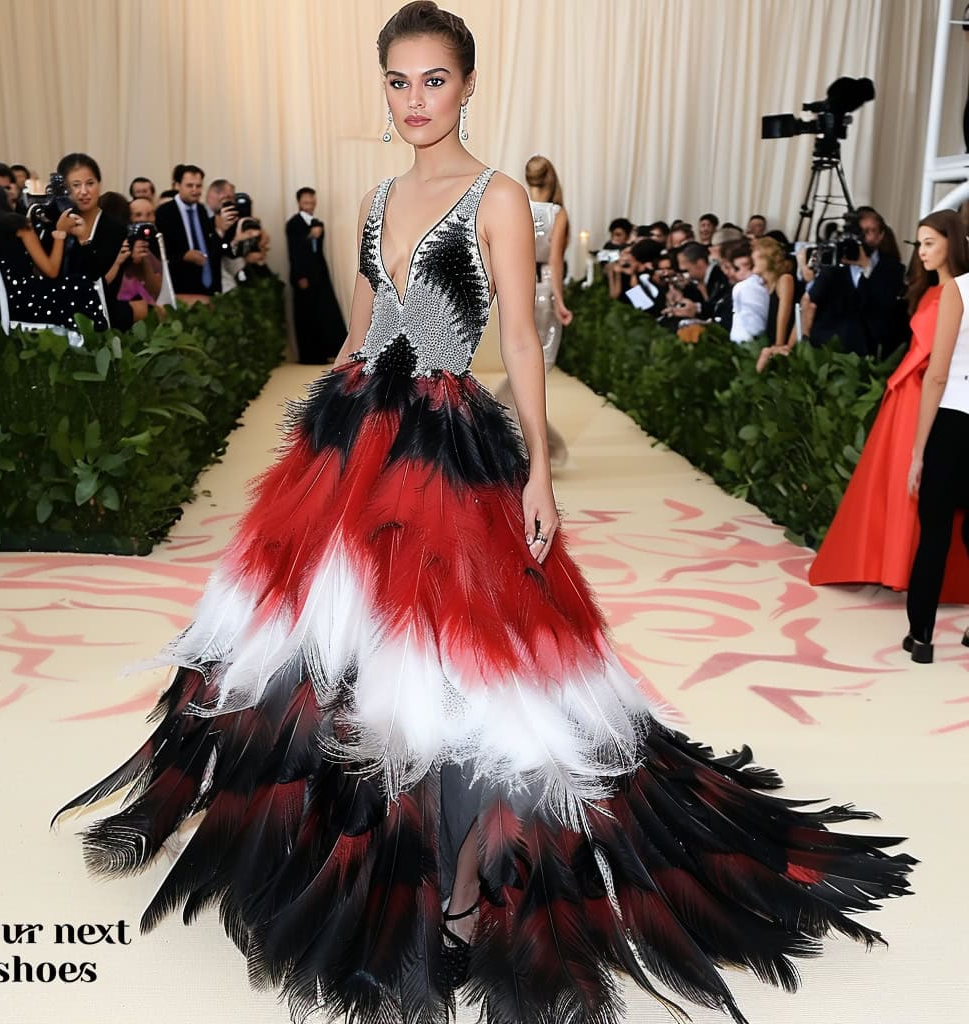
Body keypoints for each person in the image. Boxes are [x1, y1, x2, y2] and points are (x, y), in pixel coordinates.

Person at [52, 5, 913, 1024]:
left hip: (451, 446)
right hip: (356, 440)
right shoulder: (374, 199)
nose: (414, 100)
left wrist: (537, 466)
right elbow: (362, 329)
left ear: (467, 85)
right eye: (398, 82)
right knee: (329, 649)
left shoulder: (498, 197)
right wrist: (319, 432)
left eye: (433, 81)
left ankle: (459, 879)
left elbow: (519, 332)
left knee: (461, 655)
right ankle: (358, 856)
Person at [810, 210, 969, 603]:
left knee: (921, 493)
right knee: (907, 493)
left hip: (927, 397)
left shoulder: (953, 293)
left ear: (954, 242)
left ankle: (918, 601)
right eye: (920, 244)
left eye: (931, 243)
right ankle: (896, 575)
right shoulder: (931, 290)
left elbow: (939, 364)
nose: (923, 252)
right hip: (910, 393)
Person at [905, 265, 969, 663]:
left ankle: (922, 636)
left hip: (955, 420)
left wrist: (918, 450)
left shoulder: (959, 289)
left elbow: (938, 373)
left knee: (935, 532)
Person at [493, 154, 572, 467]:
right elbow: (554, 262)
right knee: (537, 367)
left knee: (523, 367)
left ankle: (525, 441)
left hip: (520, 289)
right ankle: (527, 439)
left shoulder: (519, 207)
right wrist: (561, 302)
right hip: (544, 293)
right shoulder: (556, 213)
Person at [0, 184, 104, 329]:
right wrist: (61, 232)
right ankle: (92, 338)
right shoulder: (19, 226)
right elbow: (52, 271)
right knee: (81, 284)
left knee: (75, 284)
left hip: (9, 302)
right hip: (29, 301)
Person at [58, 153, 149, 327]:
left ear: (99, 185)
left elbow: (98, 285)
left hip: (100, 311)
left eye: (90, 183)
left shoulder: (115, 229)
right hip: (58, 306)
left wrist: (84, 240)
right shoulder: (56, 224)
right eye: (75, 185)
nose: (84, 191)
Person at [807, 207, 908, 358]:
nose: (863, 237)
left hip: (870, 349)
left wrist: (866, 266)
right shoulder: (836, 261)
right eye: (860, 231)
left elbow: (884, 303)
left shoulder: (893, 268)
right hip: (830, 344)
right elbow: (814, 296)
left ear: (881, 235)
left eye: (870, 231)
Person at [286, 186, 347, 362]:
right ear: (299, 202)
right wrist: (300, 276)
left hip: (319, 274)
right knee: (306, 315)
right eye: (306, 201)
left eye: (312, 201)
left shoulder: (317, 223)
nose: (310, 204)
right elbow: (295, 251)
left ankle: (332, 351)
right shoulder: (293, 224)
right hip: (303, 276)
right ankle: (310, 356)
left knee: (325, 312)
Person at [154, 164, 221, 298]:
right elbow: (158, 253)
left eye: (198, 186)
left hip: (206, 282)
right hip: (179, 284)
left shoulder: (203, 210)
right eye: (190, 186)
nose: (195, 190)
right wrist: (183, 256)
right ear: (177, 186)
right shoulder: (165, 212)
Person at [728, 242, 769, 342]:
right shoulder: (742, 287)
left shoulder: (744, 287)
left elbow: (754, 326)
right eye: (737, 268)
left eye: (747, 265)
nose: (743, 271)